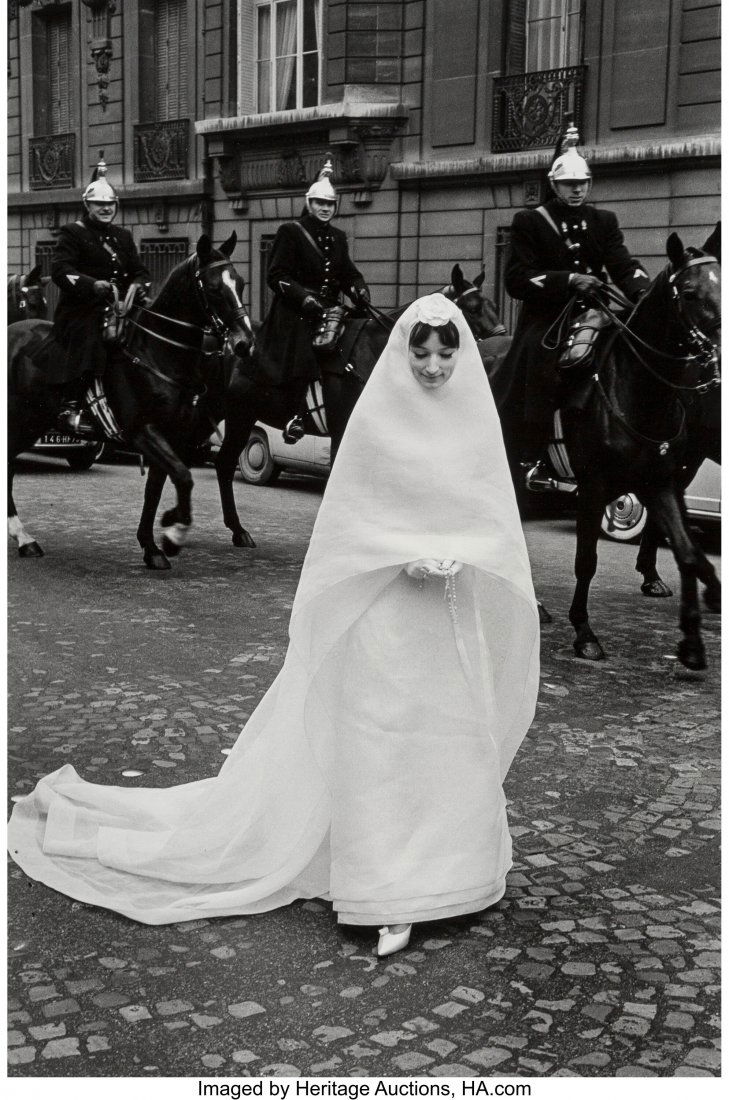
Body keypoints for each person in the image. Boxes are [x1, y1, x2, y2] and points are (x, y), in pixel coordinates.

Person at [8, 294, 539, 958]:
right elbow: (353, 519)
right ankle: (384, 890)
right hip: (387, 610)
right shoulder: (377, 421)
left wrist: (463, 556)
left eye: (444, 354)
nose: (433, 367)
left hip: (450, 613)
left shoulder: (472, 422)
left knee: (446, 736)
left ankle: (450, 875)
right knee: (383, 738)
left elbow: (490, 516)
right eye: (421, 353)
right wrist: (400, 558)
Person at [502, 119, 650, 480]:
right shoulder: (530, 221)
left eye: (582, 183)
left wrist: (643, 293)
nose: (577, 190)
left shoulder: (603, 220)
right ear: (554, 184)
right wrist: (568, 280)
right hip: (548, 317)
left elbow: (622, 264)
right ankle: (532, 456)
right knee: (542, 366)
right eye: (569, 184)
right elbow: (516, 279)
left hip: (594, 312)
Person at [256, 158, 371, 445]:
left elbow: (348, 274)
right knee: (307, 353)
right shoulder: (291, 232)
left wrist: (359, 289)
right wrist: (303, 298)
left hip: (329, 312)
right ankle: (295, 415)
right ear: (309, 203)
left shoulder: (338, 237)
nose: (324, 208)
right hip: (296, 312)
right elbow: (277, 275)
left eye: (329, 204)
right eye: (319, 202)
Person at [43, 154, 150, 435]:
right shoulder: (73, 233)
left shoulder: (123, 237)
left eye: (109, 205)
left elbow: (140, 271)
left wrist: (139, 286)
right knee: (92, 339)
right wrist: (92, 285)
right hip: (82, 310)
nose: (105, 209)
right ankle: (72, 405)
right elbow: (60, 270)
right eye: (99, 205)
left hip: (119, 309)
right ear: (87, 205)